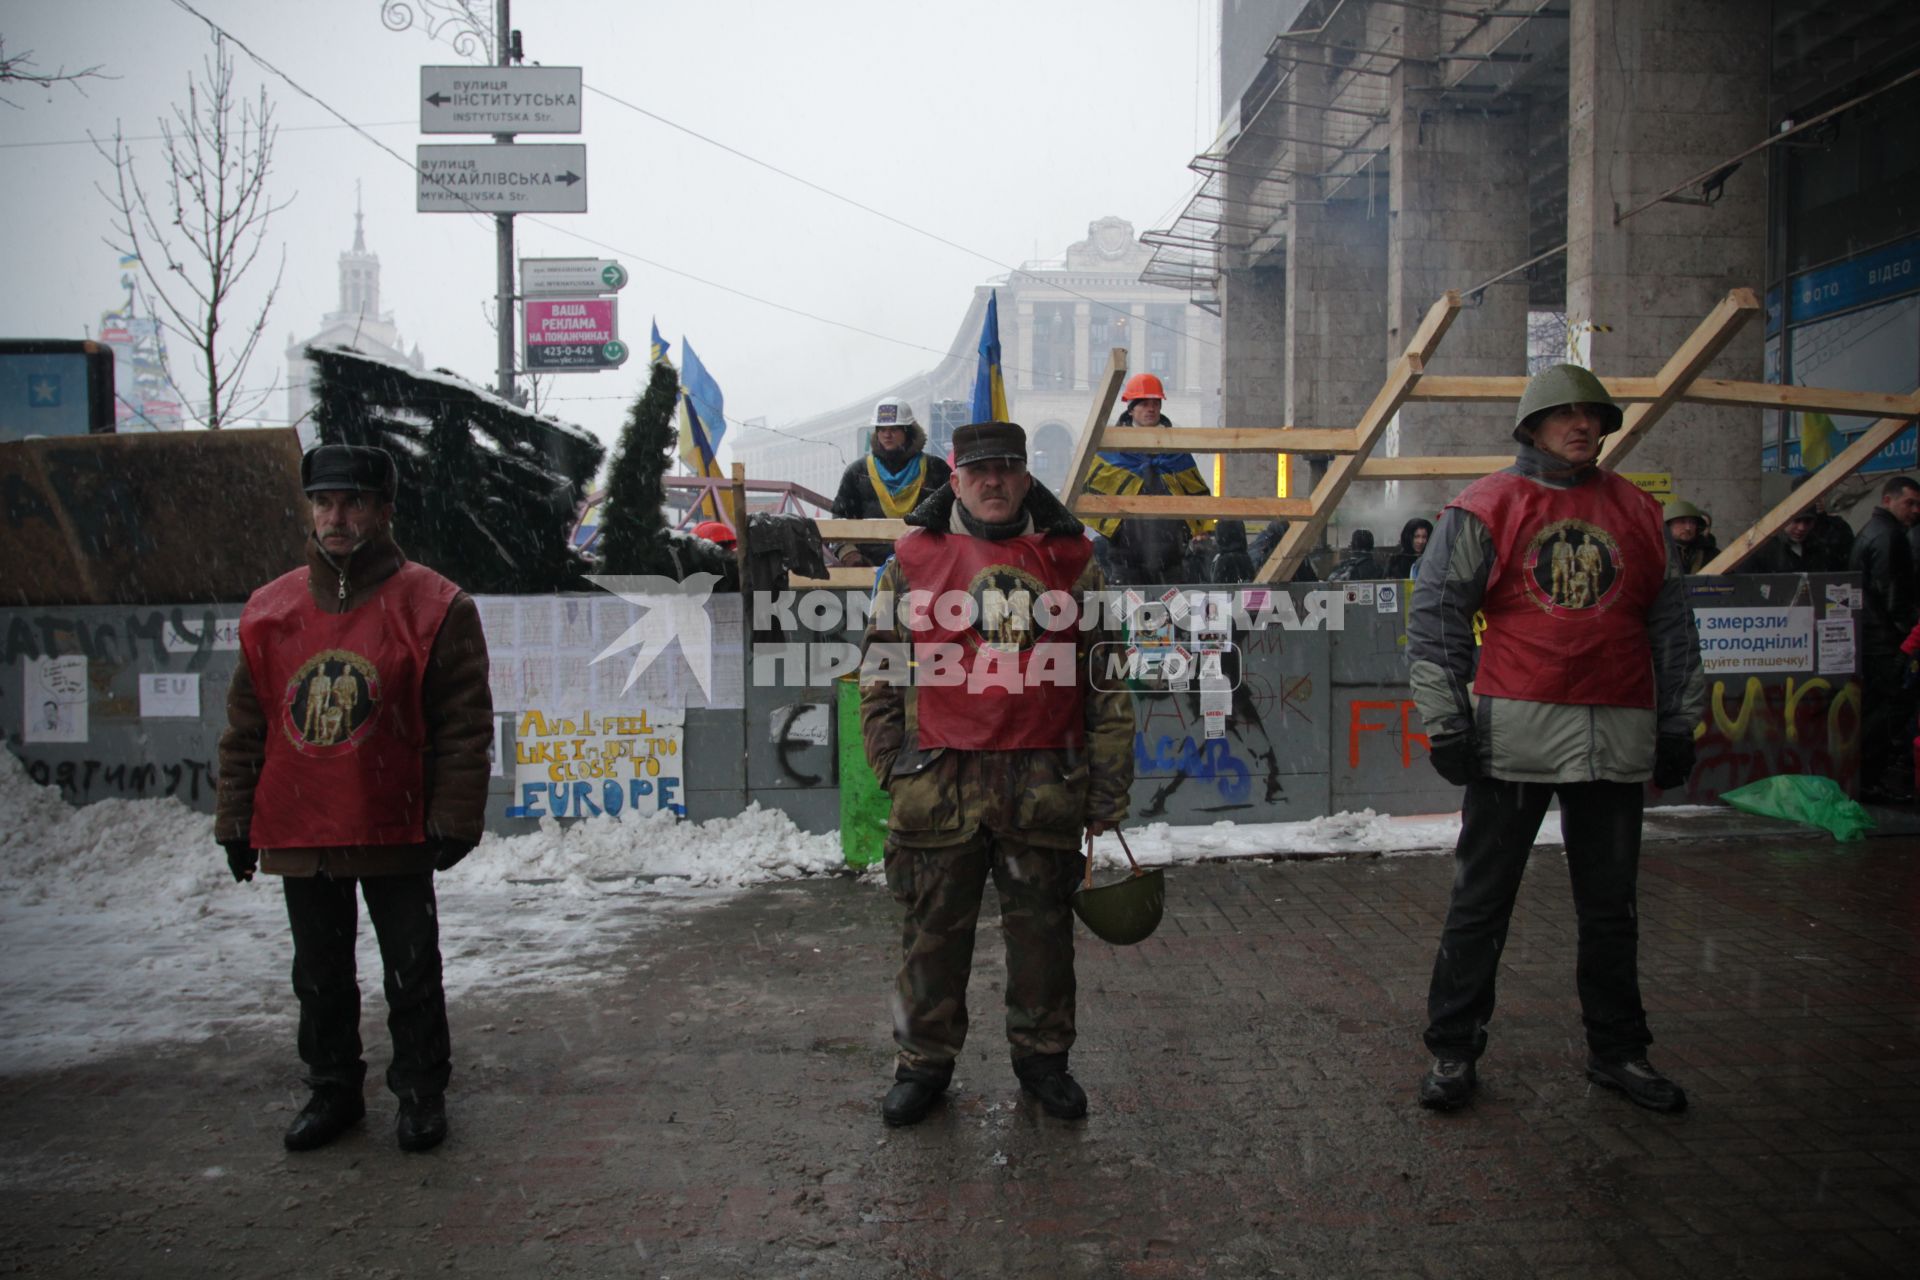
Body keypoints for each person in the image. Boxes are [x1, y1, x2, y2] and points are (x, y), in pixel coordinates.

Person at [1406, 364, 1706, 1115]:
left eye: (1592, 415)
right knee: (1482, 902)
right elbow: (1437, 620)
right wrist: (1446, 722)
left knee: (1612, 910)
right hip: (1514, 740)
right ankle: (1452, 1050)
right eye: (1564, 414)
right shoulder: (1485, 507)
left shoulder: (1639, 512)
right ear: (1532, 425)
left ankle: (1619, 1052)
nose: (1582, 425)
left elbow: (1673, 631)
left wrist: (1678, 723)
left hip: (1618, 737)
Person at [216, 444, 493, 1154]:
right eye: (323, 502)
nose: (335, 517)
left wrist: (455, 816)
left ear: (383, 509)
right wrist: (237, 818)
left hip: (392, 817)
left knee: (411, 969)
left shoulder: (434, 606)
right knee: (319, 974)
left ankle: (421, 1092)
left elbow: (464, 724)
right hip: (299, 820)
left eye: (353, 502)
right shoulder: (269, 611)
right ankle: (332, 1088)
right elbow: (248, 727)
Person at [860, 421, 1134, 1127]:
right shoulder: (912, 560)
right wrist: (893, 764)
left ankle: (1044, 1059)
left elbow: (1106, 681)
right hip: (938, 785)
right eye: (978, 470)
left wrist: (1106, 786)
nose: (993, 481)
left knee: (1043, 936)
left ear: (1025, 476)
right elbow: (881, 666)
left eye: (1007, 468)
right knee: (931, 937)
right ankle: (922, 1064)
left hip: (1043, 782)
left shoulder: (1074, 560)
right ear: (954, 480)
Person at [1079, 372, 1215, 585]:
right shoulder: (1111, 449)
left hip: (1172, 559)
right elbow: (1090, 492)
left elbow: (1195, 490)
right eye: (1144, 404)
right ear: (1131, 409)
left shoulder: (1176, 449)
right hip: (1125, 559)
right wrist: (1114, 531)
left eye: (1155, 403)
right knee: (1126, 616)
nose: (1151, 409)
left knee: (1172, 616)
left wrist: (1200, 530)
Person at [1849, 474, 1920, 801]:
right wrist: (1907, 639)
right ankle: (1868, 779)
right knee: (1883, 712)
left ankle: (1866, 776)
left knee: (1876, 710)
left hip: (1874, 637)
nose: (1915, 510)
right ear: (1888, 500)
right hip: (1884, 641)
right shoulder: (1889, 536)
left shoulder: (1874, 531)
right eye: (1910, 503)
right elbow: (1894, 595)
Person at [830, 399, 952, 568]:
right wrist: (849, 554)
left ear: (908, 431)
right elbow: (839, 520)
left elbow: (953, 517)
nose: (887, 435)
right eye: (882, 429)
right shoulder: (857, 472)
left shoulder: (936, 469)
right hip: (870, 570)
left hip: (928, 566)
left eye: (893, 429)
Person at [1662, 498, 1719, 574]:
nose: (1688, 528)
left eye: (1692, 522)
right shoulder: (1656, 552)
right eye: (1682, 522)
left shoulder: (1709, 552)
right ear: (1668, 526)